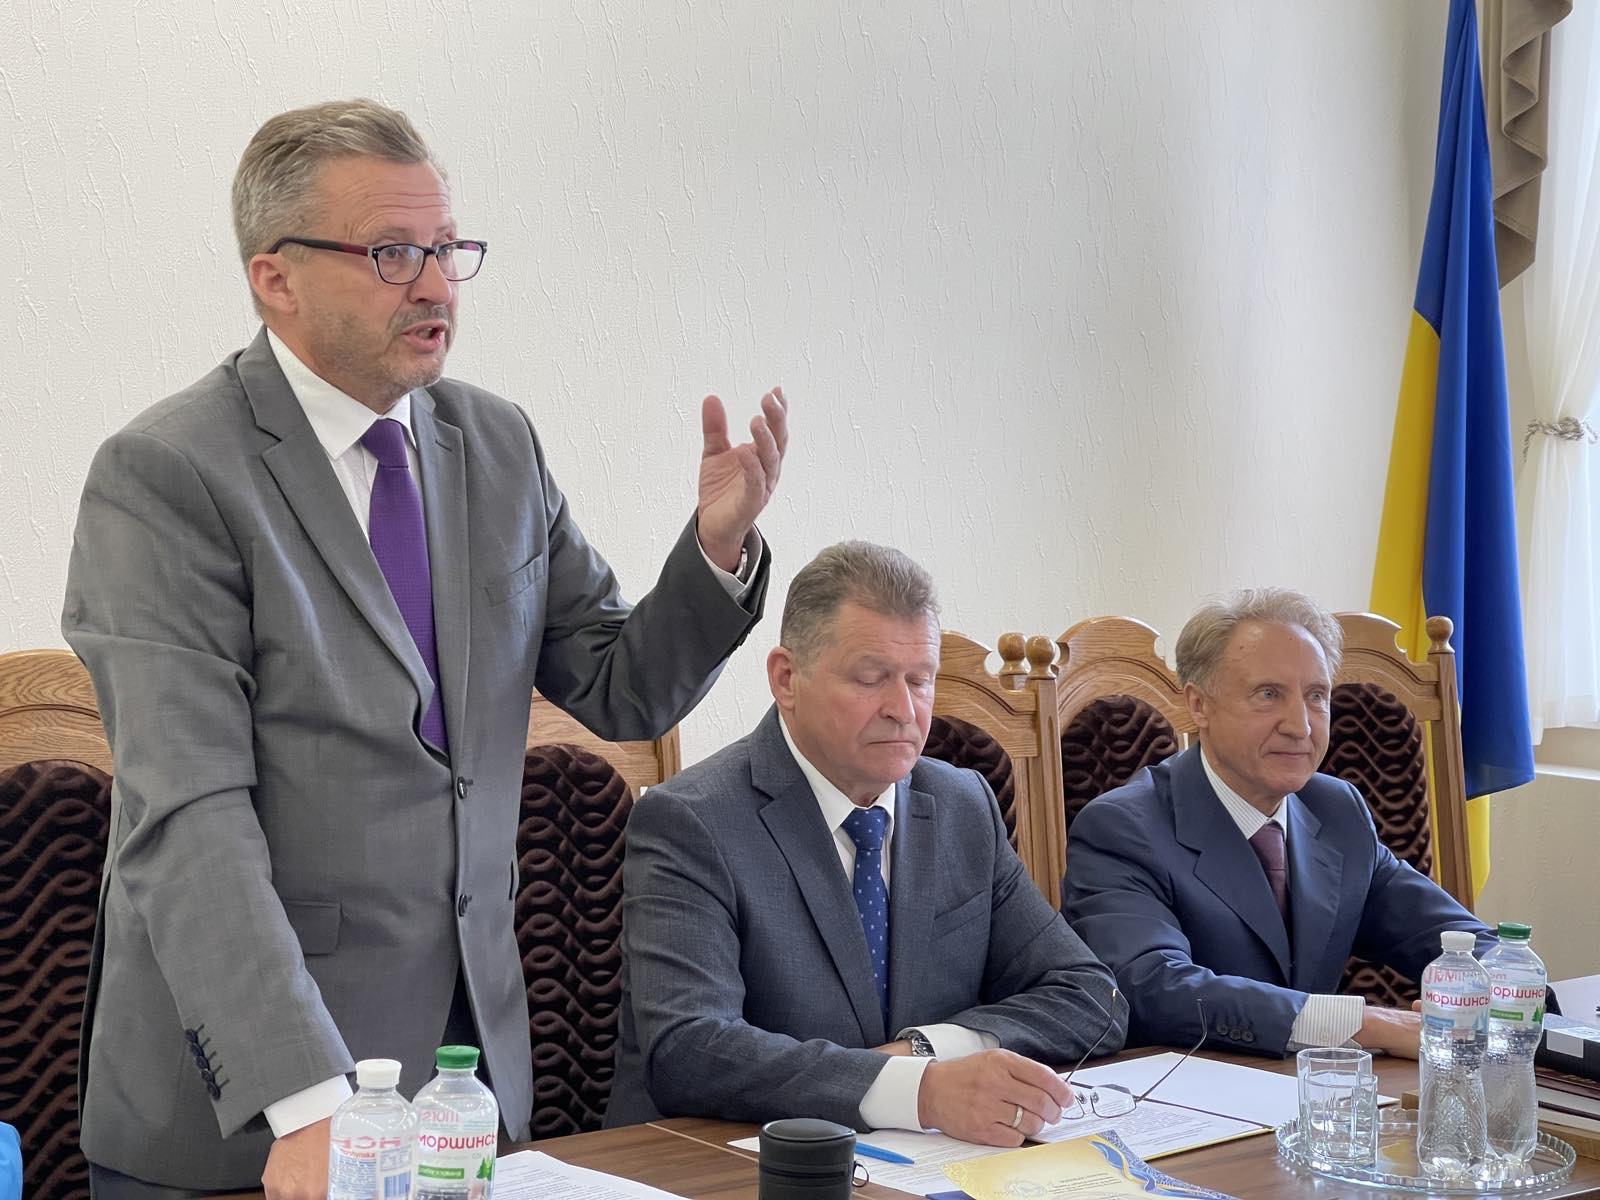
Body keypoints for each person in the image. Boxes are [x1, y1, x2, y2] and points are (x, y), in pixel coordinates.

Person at [62, 99, 787, 1200]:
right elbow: (189, 818)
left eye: (449, 249)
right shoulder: (168, 474)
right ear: (275, 278)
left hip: (461, 1084)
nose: (438, 285)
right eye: (393, 253)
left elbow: (620, 687)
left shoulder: (496, 442)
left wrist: (717, 551)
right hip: (252, 1118)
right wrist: (306, 1100)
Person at [607, 542, 1124, 1145]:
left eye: (920, 681)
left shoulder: (962, 806)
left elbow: (1094, 996)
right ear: (786, 679)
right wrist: (919, 1090)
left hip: (923, 1163)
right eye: (871, 678)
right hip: (717, 1161)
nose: (903, 710)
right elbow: (690, 1049)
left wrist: (925, 1051)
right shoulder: (691, 820)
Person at [1063, 587, 1493, 1061]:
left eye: (1316, 696)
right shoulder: (1122, 828)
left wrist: (1514, 986)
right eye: (1268, 695)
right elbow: (1152, 987)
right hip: (1185, 1088)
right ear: (1199, 705)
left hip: (1318, 1091)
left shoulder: (1336, 809)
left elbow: (1454, 941)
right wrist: (1365, 1024)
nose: (1300, 726)